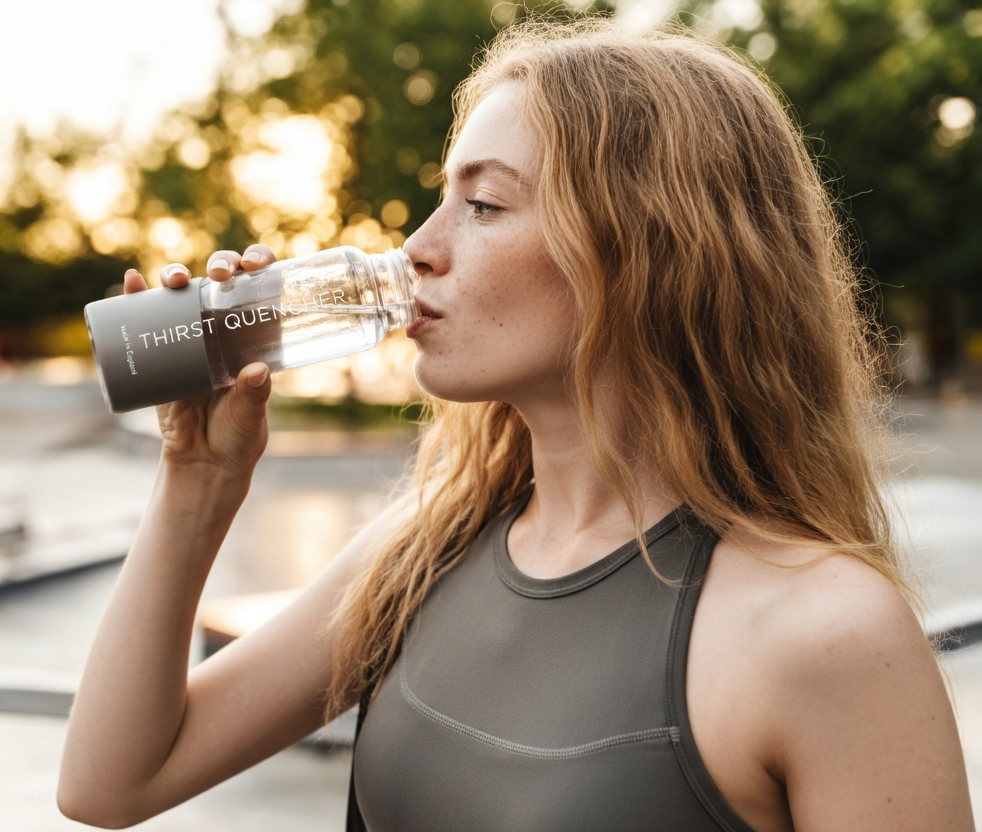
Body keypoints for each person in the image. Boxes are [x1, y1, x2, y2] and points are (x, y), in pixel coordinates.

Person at [56, 17, 974, 831]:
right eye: (443, 196)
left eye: (484, 204)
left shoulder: (827, 633)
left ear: (651, 251)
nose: (418, 247)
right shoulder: (428, 548)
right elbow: (111, 784)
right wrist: (197, 480)